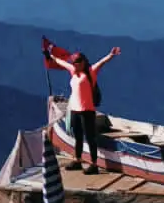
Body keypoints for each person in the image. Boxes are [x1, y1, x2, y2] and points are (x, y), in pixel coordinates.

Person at [43, 37, 121, 172]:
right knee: (77, 136)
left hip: (87, 111)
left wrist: (111, 55)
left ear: (83, 62)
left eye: (77, 62)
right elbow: (62, 62)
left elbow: (102, 62)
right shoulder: (73, 71)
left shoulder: (90, 72)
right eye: (74, 62)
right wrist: (50, 56)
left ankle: (94, 164)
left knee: (90, 137)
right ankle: (78, 160)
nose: (75, 64)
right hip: (75, 110)